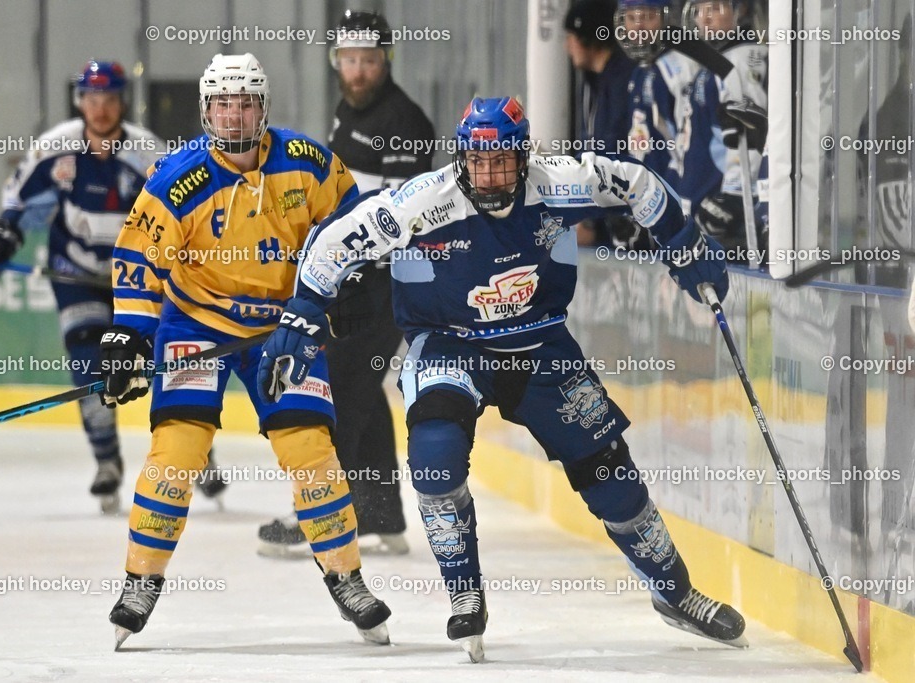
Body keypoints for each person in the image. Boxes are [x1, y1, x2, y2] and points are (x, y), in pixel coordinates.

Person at [257, 96, 745, 662]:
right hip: (448, 347)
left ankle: (675, 593)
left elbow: (638, 182)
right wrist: (304, 310)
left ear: (523, 156)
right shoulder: (423, 201)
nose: (488, 175)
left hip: (539, 345)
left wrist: (683, 242)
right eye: (478, 161)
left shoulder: (560, 181)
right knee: (435, 464)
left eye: (501, 161)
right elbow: (337, 240)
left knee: (613, 478)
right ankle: (465, 593)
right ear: (462, 158)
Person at [100, 53, 390, 649]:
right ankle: (140, 581)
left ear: (264, 108)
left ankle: (346, 575)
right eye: (223, 104)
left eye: (246, 103)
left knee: (311, 449)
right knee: (176, 453)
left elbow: (353, 222)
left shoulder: (307, 164)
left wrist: (349, 287)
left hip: (279, 331)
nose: (234, 116)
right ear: (207, 110)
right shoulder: (177, 178)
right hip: (195, 327)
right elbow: (136, 263)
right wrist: (128, 339)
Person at [0, 61, 231, 514]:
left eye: (109, 99)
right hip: (77, 272)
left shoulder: (149, 153)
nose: (100, 108)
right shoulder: (57, 147)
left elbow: (189, 212)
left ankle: (196, 453)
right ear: (79, 101)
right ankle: (107, 461)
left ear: (122, 101)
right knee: (91, 363)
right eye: (91, 98)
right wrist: (3, 231)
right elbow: (17, 194)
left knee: (173, 359)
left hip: (142, 276)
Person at [257, 8, 434, 558]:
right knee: (360, 391)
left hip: (385, 286)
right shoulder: (347, 111)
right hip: (353, 282)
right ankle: (381, 515)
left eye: (369, 61)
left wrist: (350, 272)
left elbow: (403, 218)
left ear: (386, 61)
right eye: (349, 60)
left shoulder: (405, 124)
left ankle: (322, 511)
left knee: (341, 391)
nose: (358, 71)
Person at [678, 0, 768, 257]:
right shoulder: (716, 62)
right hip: (703, 208)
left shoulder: (742, 60)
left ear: (741, 11)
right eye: (699, 10)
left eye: (716, 8)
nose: (705, 18)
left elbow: (752, 132)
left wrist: (735, 198)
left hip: (727, 220)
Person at [564, 0, 644, 248]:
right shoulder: (592, 81)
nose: (568, 46)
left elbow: (618, 154)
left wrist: (594, 225)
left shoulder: (624, 80)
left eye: (572, 37)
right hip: (603, 216)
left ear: (587, 38)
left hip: (624, 217)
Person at [618, 0, 699, 191]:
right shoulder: (640, 70)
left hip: (672, 193)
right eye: (631, 18)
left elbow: (688, 143)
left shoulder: (680, 68)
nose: (638, 26)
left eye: (647, 17)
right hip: (648, 195)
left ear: (667, 18)